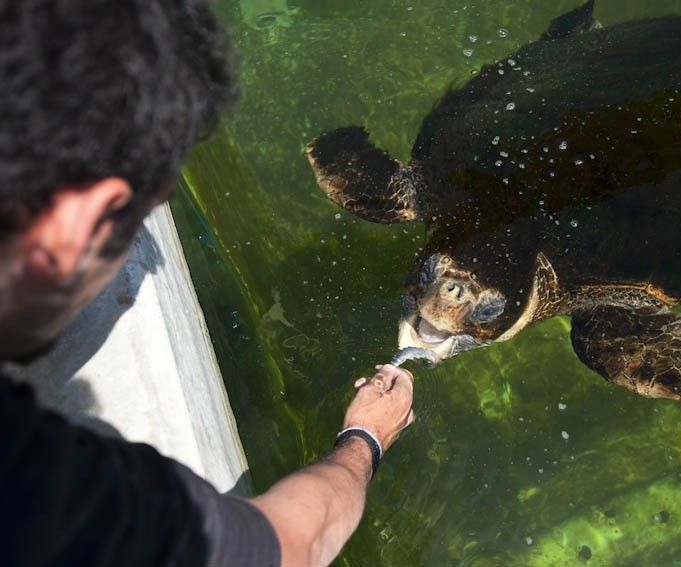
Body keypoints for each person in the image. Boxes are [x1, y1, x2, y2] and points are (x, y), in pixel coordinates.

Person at [0, 1, 415, 566]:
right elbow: (294, 545)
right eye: (136, 226)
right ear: (81, 226)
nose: (138, 261)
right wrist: (366, 436)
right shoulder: (47, 488)